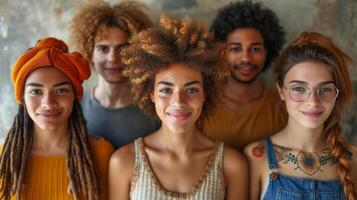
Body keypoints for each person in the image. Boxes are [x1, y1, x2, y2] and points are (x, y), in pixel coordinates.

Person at [108, 15, 248, 200]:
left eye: (191, 89)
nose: (179, 102)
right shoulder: (124, 161)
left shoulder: (231, 164)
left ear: (206, 93)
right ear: (151, 94)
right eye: (166, 90)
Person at [244, 32, 357, 200]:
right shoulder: (256, 156)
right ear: (281, 91)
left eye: (325, 89)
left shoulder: (353, 159)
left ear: (336, 94)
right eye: (299, 88)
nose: (313, 101)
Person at [0, 37, 113, 200]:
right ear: (22, 98)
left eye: (60, 91)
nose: (48, 103)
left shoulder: (101, 153)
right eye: (36, 92)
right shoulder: (3, 156)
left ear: (75, 96)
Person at [70, 1, 160, 149]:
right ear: (89, 53)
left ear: (137, 53)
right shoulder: (74, 108)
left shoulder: (155, 110)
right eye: (103, 49)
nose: (113, 58)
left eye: (122, 48)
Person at [202, 1, 287, 150]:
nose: (246, 58)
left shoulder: (283, 105)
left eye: (255, 49)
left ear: (267, 52)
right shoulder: (203, 103)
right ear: (222, 52)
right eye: (235, 49)